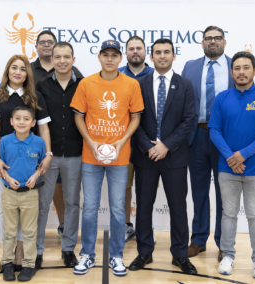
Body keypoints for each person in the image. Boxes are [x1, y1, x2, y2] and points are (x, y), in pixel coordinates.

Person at [71, 40, 144, 276]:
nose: (110, 59)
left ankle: (116, 256)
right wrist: (91, 143)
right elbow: (79, 117)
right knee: (90, 207)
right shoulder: (86, 83)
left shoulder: (131, 84)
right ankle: (88, 254)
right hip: (91, 156)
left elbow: (135, 118)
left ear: (120, 58)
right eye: (106, 54)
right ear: (99, 57)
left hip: (120, 157)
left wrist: (121, 142)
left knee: (117, 210)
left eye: (114, 55)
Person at [129, 39, 197, 275]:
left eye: (166, 52)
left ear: (174, 55)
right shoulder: (139, 84)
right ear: (151, 56)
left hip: (175, 157)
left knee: (178, 208)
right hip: (145, 156)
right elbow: (134, 120)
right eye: (157, 52)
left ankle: (180, 255)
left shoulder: (185, 85)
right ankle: (144, 252)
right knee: (144, 207)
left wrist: (166, 145)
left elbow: (189, 120)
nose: (162, 56)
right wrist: (149, 146)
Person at [0, 55, 52, 271]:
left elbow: (43, 128)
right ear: (7, 71)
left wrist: (48, 154)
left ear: (27, 74)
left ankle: (21, 253)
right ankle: (7, 255)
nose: (18, 72)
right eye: (13, 68)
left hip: (29, 159)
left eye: (22, 69)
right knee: (4, 207)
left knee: (26, 210)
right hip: (4, 158)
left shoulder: (36, 97)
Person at [209, 52, 255, 279]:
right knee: (229, 214)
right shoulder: (222, 98)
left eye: (246, 68)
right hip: (227, 169)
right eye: (237, 68)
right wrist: (231, 158)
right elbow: (214, 131)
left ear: (254, 71)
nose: (241, 72)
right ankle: (228, 256)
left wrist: (241, 155)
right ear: (232, 72)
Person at [181, 26, 234, 261]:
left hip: (225, 139)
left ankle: (224, 243)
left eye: (217, 38)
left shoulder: (235, 66)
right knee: (199, 192)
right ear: (202, 43)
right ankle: (198, 239)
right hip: (197, 136)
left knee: (225, 194)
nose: (212, 42)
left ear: (224, 42)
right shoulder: (190, 66)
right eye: (208, 38)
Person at [35, 42, 83, 269]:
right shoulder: (41, 86)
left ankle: (68, 249)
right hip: (48, 155)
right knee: (42, 204)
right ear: (51, 60)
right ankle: (37, 251)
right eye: (58, 57)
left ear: (74, 59)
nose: (62, 61)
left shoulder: (84, 85)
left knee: (72, 203)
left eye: (66, 56)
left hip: (75, 154)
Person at [0, 105, 46, 282]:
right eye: (17, 118)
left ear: (33, 123)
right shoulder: (4, 141)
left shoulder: (39, 142)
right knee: (9, 232)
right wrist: (7, 178)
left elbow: (41, 165)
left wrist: (35, 175)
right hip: (9, 193)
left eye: (26, 119)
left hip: (30, 194)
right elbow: (1, 165)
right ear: (11, 122)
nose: (22, 122)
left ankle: (28, 264)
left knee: (29, 232)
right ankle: (7, 263)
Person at [118, 35, 154, 243]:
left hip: (148, 143)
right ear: (126, 53)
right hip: (123, 142)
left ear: (145, 51)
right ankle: (126, 226)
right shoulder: (117, 74)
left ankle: (145, 230)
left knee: (146, 189)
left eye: (138, 48)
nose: (135, 52)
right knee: (125, 188)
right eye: (131, 49)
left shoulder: (154, 74)